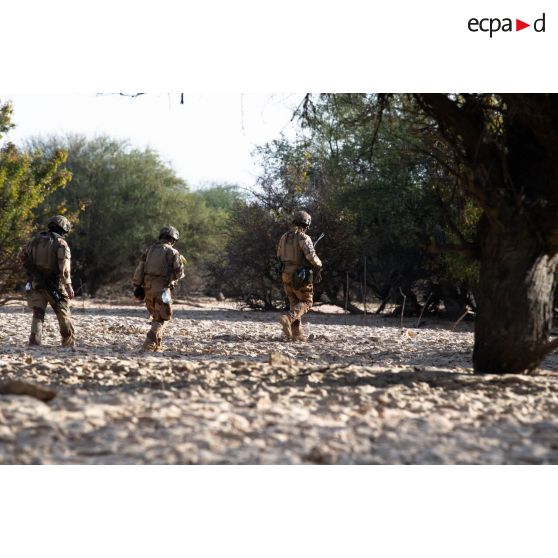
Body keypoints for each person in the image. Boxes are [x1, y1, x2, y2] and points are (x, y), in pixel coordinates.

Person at [20, 215, 76, 347]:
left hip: (36, 283)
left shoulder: (33, 240)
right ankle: (68, 343)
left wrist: (33, 271)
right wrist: (68, 286)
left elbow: (22, 257)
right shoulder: (61, 243)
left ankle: (34, 341)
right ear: (63, 228)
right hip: (55, 285)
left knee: (38, 313)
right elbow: (64, 268)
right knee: (63, 312)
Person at [133, 226, 185, 351]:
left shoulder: (149, 250)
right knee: (163, 317)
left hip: (147, 287)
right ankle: (149, 343)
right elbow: (179, 273)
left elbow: (140, 268)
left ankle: (157, 345)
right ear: (173, 239)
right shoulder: (173, 252)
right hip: (162, 289)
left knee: (156, 316)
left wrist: (137, 286)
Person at [276, 210, 322, 341]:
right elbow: (311, 256)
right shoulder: (304, 238)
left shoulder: (284, 237)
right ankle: (287, 318)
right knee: (307, 302)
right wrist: (319, 264)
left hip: (286, 274)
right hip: (299, 275)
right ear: (306, 225)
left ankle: (297, 334)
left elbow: (279, 255)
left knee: (294, 303)